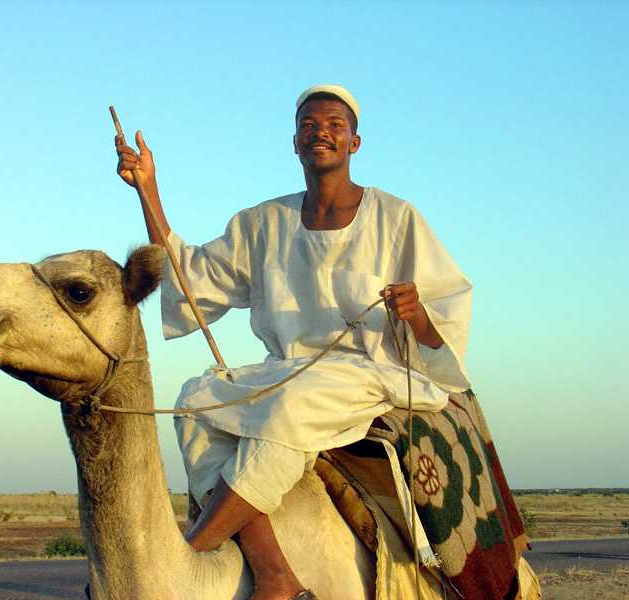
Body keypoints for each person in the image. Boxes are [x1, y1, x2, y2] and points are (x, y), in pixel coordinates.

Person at [115, 85, 472, 600]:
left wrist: (416, 316)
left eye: (333, 124)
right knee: (195, 398)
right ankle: (276, 572)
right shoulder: (262, 223)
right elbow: (191, 280)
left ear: (355, 142)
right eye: (309, 124)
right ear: (295, 143)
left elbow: (447, 314)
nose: (320, 131)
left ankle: (191, 552)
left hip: (368, 372)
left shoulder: (396, 219)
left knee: (288, 407)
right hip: (288, 369)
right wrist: (147, 190)